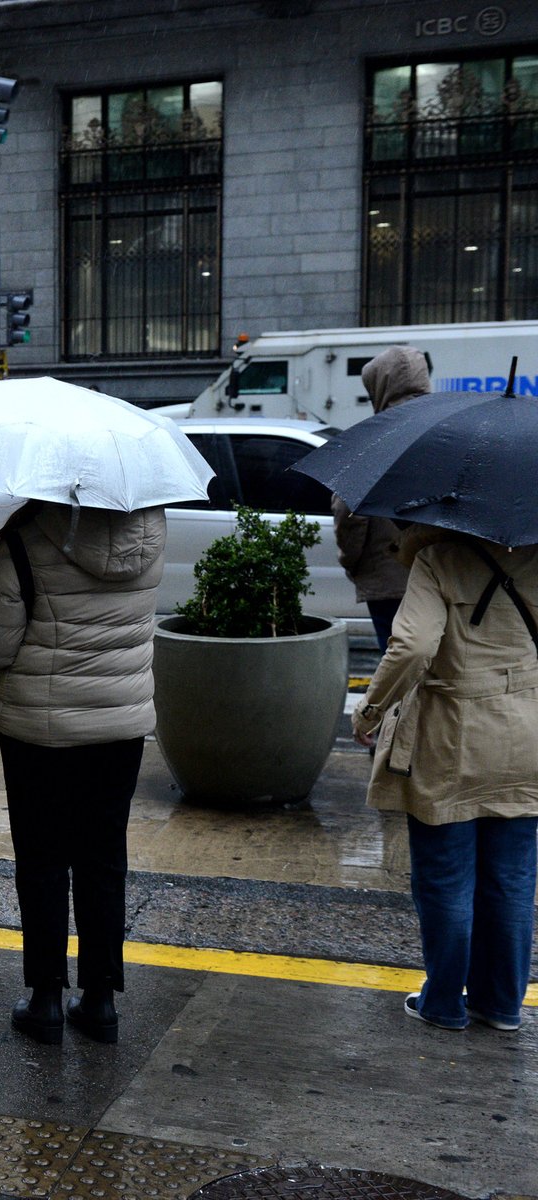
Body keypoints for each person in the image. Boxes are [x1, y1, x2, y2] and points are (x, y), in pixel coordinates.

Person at [0, 499, 167, 1045]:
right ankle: (100, 1001)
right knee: (104, 861)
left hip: (40, 731)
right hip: (120, 728)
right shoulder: (148, 533)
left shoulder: (26, 540)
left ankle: (46, 1000)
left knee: (44, 861)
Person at [353, 525, 538, 1033]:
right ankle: (501, 1005)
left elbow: (412, 647)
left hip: (450, 735)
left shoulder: (437, 560)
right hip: (527, 733)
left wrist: (370, 712)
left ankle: (443, 1003)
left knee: (445, 878)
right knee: (513, 878)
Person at [335, 346, 430, 650]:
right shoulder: (444, 426)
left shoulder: (373, 438)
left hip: (387, 571)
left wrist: (351, 561)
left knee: (394, 660)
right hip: (444, 571)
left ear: (379, 385)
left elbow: (348, 512)